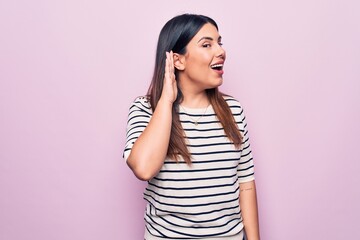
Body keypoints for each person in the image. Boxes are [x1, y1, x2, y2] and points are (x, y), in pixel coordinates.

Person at [123, 14, 260, 240]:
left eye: (219, 42)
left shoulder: (233, 110)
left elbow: (245, 181)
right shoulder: (146, 109)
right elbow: (143, 168)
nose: (221, 51)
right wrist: (166, 101)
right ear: (178, 61)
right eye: (207, 44)